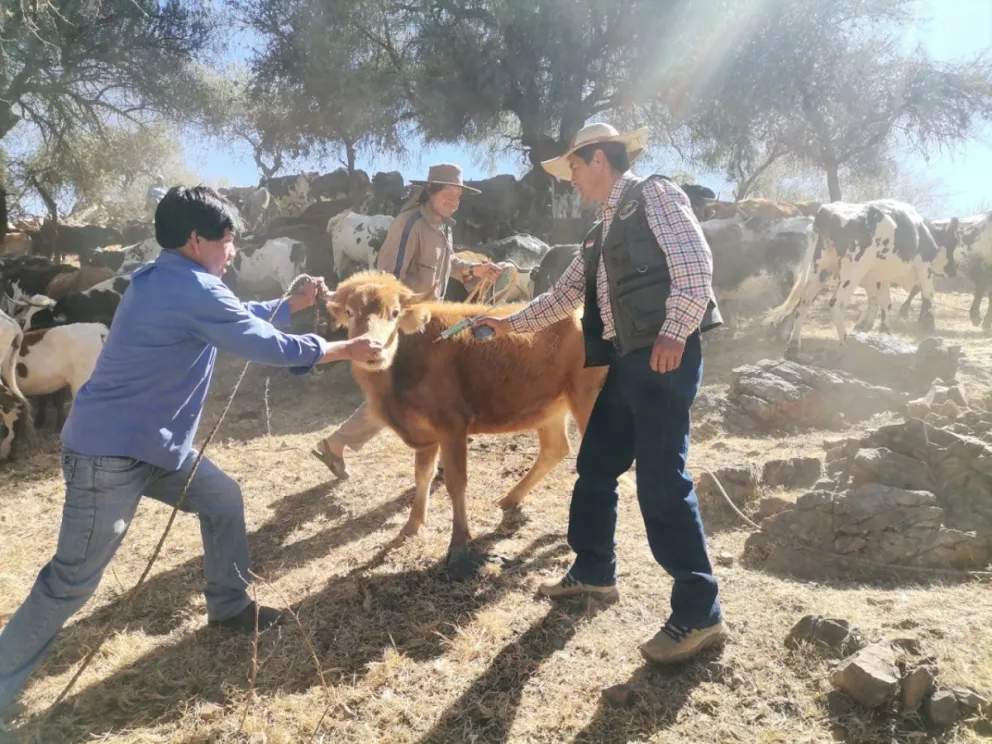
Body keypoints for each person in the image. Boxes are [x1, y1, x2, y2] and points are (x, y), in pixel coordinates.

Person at [0, 186, 382, 718]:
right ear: (197, 239)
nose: (233, 251)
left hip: (154, 446)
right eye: (228, 240)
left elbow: (235, 315)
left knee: (223, 499)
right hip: (109, 456)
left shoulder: (164, 278)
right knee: (70, 580)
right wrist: (346, 347)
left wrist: (290, 303)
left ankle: (229, 606)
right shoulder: (189, 288)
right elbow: (261, 342)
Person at [472, 123, 729, 665]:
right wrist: (506, 323)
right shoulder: (597, 233)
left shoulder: (654, 195)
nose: (570, 181)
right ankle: (593, 570)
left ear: (596, 160)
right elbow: (562, 296)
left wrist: (673, 332)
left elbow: (695, 265)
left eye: (572, 169)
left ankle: (700, 611)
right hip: (626, 363)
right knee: (595, 467)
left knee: (662, 481)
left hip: (664, 357)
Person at [311, 163, 503, 478]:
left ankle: (337, 445)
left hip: (430, 324)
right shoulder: (409, 223)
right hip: (406, 325)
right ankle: (338, 445)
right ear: (430, 191)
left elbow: (447, 262)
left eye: (457, 194)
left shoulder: (443, 226)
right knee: (399, 395)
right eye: (447, 192)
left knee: (420, 392)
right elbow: (389, 278)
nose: (453, 199)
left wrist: (473, 270)